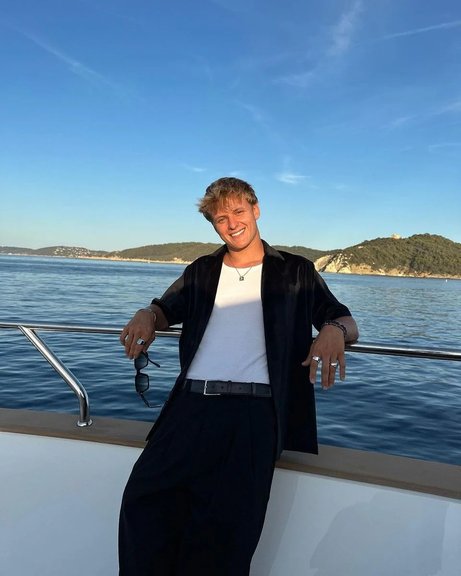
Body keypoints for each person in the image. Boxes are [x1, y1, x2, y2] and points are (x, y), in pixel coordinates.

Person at [118, 177, 359, 576]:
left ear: (256, 209)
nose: (231, 224)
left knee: (226, 535)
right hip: (188, 407)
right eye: (220, 218)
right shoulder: (202, 271)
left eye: (238, 212)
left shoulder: (296, 271)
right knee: (143, 504)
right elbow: (164, 310)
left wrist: (333, 330)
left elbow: (346, 320)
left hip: (254, 414)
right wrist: (147, 314)